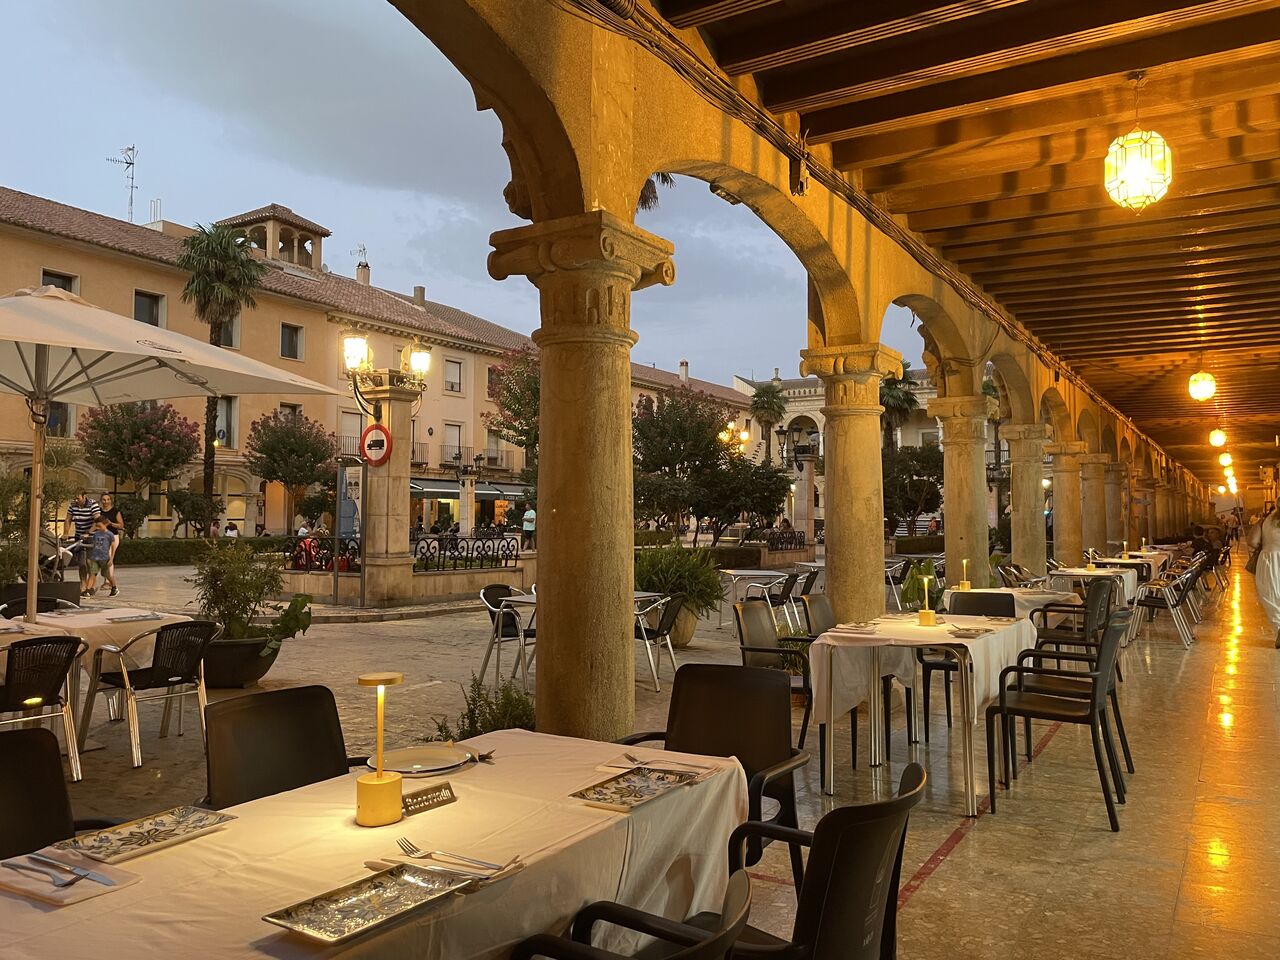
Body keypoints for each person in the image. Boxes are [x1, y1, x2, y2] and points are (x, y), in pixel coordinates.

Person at [1246, 506, 1280, 647]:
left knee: (1270, 595)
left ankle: (1278, 626)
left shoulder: (1267, 520)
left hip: (1269, 559)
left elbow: (1252, 542)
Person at [63, 489, 100, 595]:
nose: (76, 500)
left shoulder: (93, 504)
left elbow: (97, 521)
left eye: (78, 498)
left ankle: (91, 586)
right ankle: (83, 586)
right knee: (82, 563)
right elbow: (68, 519)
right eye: (74, 498)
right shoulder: (72, 505)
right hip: (79, 536)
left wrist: (89, 532)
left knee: (90, 562)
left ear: (84, 496)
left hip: (92, 536)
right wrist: (66, 533)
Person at [97, 492, 124, 597]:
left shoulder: (115, 511)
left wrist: (111, 523)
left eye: (108, 499)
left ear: (110, 500)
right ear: (101, 501)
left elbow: (121, 525)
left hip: (113, 536)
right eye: (104, 499)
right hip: (102, 537)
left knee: (109, 557)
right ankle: (107, 580)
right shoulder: (99, 511)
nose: (106, 501)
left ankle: (108, 582)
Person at [83, 516, 115, 598]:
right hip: (95, 557)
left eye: (100, 526)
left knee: (106, 575)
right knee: (92, 573)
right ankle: (87, 590)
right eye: (97, 526)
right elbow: (94, 545)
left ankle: (114, 587)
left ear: (105, 524)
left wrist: (111, 559)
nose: (98, 528)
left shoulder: (110, 535)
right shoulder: (96, 534)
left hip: (104, 558)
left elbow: (113, 547)